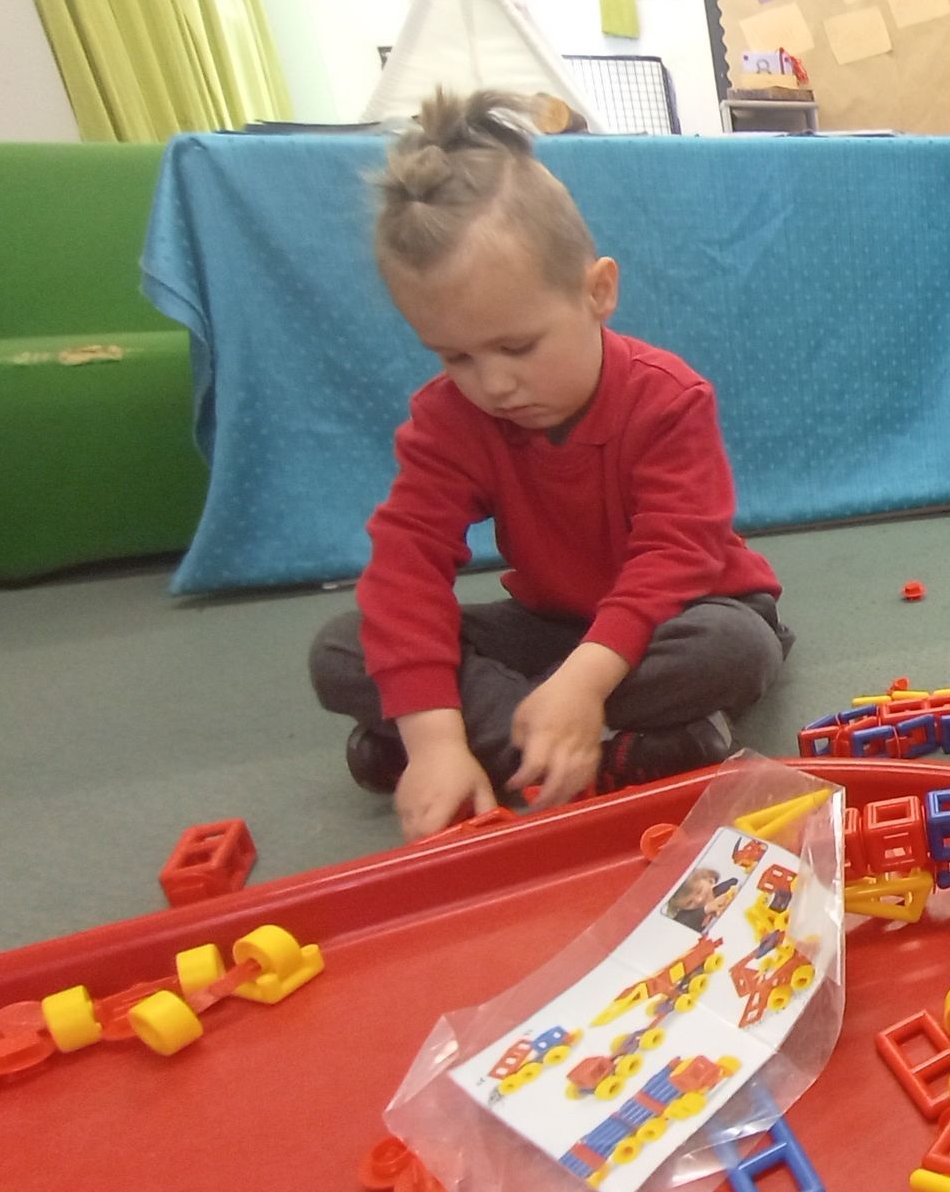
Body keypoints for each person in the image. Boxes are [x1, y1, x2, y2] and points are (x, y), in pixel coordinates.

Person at [310, 90, 791, 843]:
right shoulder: (450, 418)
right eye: (456, 356)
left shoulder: (668, 399)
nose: (492, 384)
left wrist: (583, 682)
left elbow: (677, 555)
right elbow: (405, 567)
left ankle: (504, 736)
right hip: (554, 627)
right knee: (342, 648)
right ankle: (601, 752)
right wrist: (434, 739)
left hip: (686, 610)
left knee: (735, 653)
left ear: (599, 291)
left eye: (517, 347)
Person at [664, 868, 737, 933]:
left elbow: (736, 882)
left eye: (699, 891)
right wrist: (706, 909)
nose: (699, 900)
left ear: (710, 880)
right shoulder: (684, 918)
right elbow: (680, 927)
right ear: (681, 908)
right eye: (689, 903)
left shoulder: (729, 887)